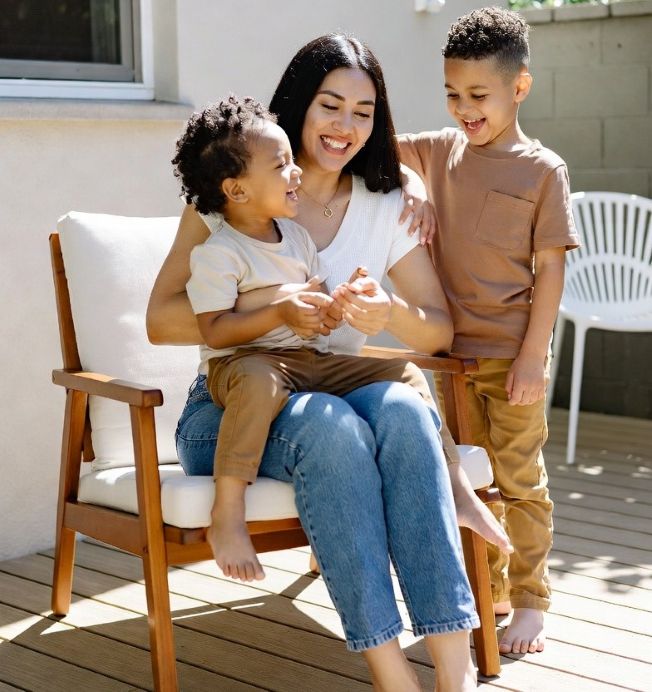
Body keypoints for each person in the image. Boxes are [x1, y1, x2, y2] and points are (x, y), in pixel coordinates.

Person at [148, 33, 511, 692]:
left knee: (402, 408)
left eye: (363, 112)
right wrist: (267, 306)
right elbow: (160, 319)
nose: (345, 126)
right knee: (331, 429)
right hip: (233, 413)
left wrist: (384, 314)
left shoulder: (385, 201)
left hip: (332, 381)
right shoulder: (231, 200)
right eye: (330, 105)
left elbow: (434, 330)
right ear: (297, 105)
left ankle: (454, 680)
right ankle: (391, 674)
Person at [175, 95, 443, 584]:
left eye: (291, 161)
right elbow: (214, 329)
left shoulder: (295, 237)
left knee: (403, 373)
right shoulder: (217, 252)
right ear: (236, 191)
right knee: (257, 378)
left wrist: (340, 301)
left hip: (307, 364)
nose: (295, 172)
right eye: (282, 166)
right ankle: (228, 509)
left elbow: (316, 302)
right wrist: (278, 309)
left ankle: (455, 485)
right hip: (244, 368)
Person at [398, 7, 580, 656]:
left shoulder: (542, 171)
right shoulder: (439, 151)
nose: (463, 109)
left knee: (519, 480)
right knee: (469, 485)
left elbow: (550, 273)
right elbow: (374, 146)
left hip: (512, 357)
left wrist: (533, 357)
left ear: (518, 88)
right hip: (448, 360)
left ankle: (530, 601)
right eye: (452, 94)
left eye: (478, 95)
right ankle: (489, 591)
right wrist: (414, 183)